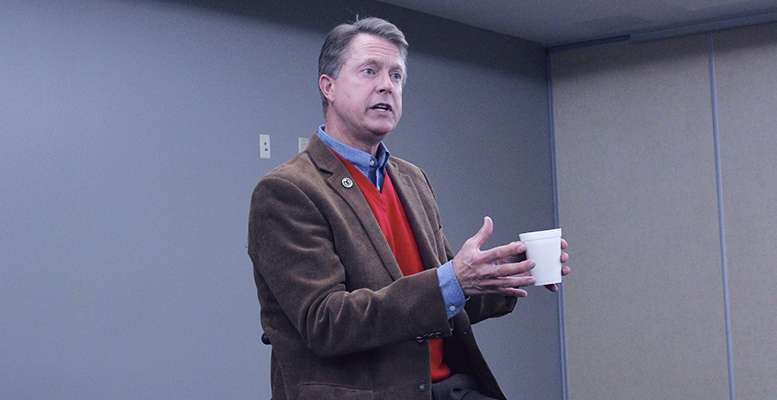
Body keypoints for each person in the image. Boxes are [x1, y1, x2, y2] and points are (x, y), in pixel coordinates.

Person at [247, 17, 570, 400]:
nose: (386, 84)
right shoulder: (287, 191)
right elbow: (327, 322)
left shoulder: (412, 179)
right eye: (369, 71)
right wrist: (453, 281)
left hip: (444, 387)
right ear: (328, 87)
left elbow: (445, 296)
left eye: (396, 76)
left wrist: (506, 273)